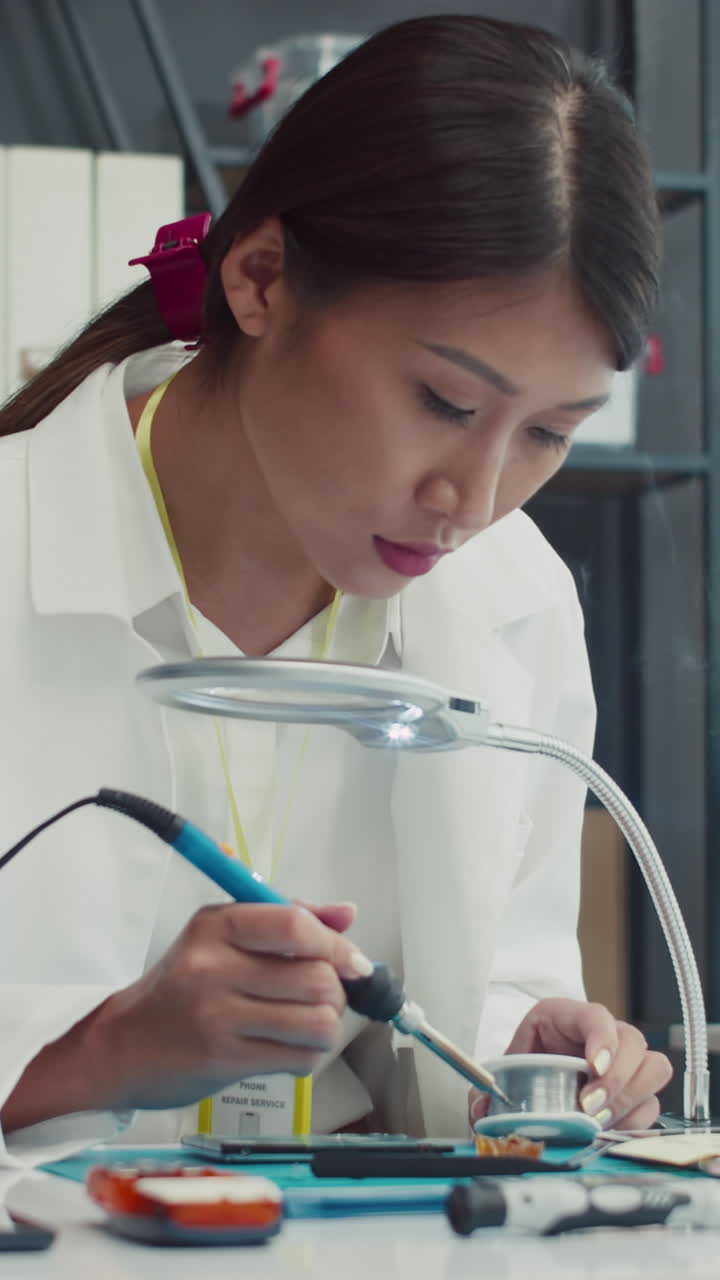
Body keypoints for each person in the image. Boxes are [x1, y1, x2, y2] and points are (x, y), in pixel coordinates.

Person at [0, 13, 672, 1166]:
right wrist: (95, 1057)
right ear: (260, 280)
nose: (474, 494)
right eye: (447, 404)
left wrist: (523, 1056)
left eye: (549, 433)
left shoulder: (518, 603)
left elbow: (489, 974)